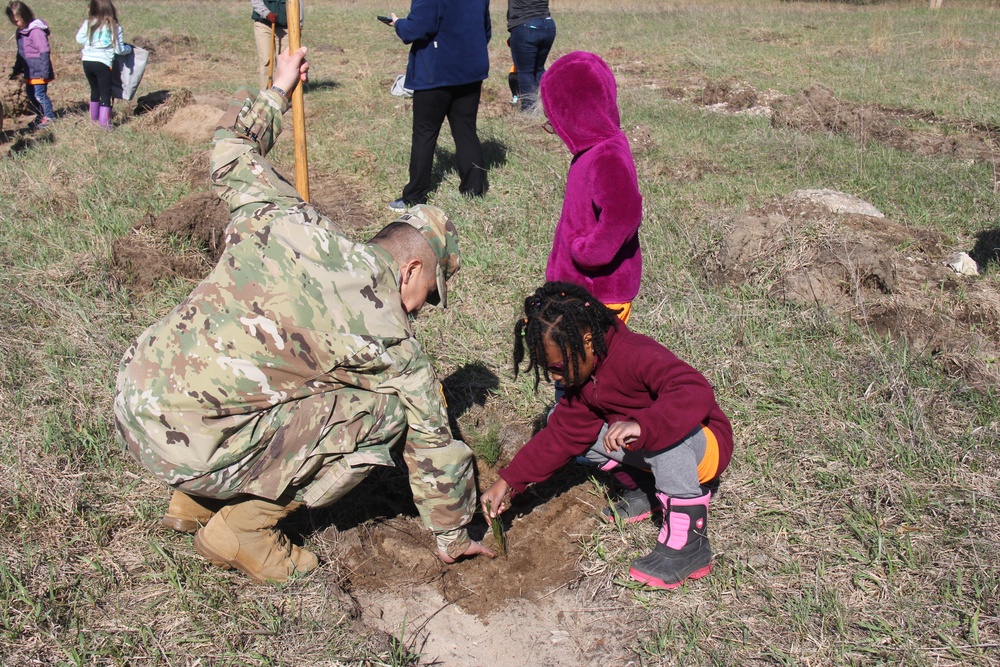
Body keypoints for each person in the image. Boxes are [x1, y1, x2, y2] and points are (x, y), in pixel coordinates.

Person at [113, 46, 494, 584]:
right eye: (428, 295)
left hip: (134, 399)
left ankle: (195, 500)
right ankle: (241, 529)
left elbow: (230, 146)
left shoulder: (284, 216)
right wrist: (454, 534)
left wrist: (278, 88)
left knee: (291, 380)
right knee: (382, 416)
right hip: (192, 444)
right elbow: (432, 441)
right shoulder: (385, 334)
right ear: (410, 270)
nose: (421, 311)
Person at [481, 282, 734, 589]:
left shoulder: (634, 354)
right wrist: (507, 482)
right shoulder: (585, 379)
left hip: (701, 448)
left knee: (663, 439)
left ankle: (690, 546)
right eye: (550, 371)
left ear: (587, 341)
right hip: (651, 450)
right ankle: (646, 490)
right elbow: (561, 436)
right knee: (561, 422)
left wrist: (645, 425)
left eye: (559, 367)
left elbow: (694, 390)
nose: (557, 378)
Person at [540, 51, 642, 326]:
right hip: (581, 289)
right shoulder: (593, 149)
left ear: (574, 113)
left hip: (599, 291)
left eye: (555, 122)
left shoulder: (605, 155)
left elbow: (624, 214)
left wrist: (587, 254)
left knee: (598, 361)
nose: (556, 130)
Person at [387, 0, 490, 212]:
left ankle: (414, 196)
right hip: (470, 70)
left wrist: (398, 24)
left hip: (435, 72)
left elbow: (415, 30)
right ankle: (474, 189)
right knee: (466, 130)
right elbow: (485, 30)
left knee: (424, 133)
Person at [75, 0, 130, 129]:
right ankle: (105, 124)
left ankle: (93, 120)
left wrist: (91, 41)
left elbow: (79, 39)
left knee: (95, 90)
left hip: (87, 61)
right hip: (103, 63)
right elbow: (119, 50)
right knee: (105, 93)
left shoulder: (88, 23)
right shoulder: (114, 26)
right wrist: (129, 49)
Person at [6, 1, 55, 129]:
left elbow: (44, 51)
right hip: (29, 70)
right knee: (31, 94)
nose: (15, 24)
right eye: (12, 21)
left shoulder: (36, 31)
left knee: (39, 95)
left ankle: (50, 117)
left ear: (25, 15)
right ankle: (40, 116)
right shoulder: (21, 32)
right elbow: (20, 53)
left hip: (39, 69)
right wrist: (17, 69)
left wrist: (45, 71)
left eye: (16, 21)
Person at [506, 0, 554, 112]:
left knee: (525, 71)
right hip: (547, 24)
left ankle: (530, 111)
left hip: (526, 25)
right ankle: (549, 107)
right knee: (539, 69)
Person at [250, 0, 302, 92]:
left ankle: (282, 93)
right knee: (266, 60)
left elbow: (298, 3)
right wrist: (266, 13)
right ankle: (265, 93)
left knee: (285, 61)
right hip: (264, 25)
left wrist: (299, 24)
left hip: (286, 27)